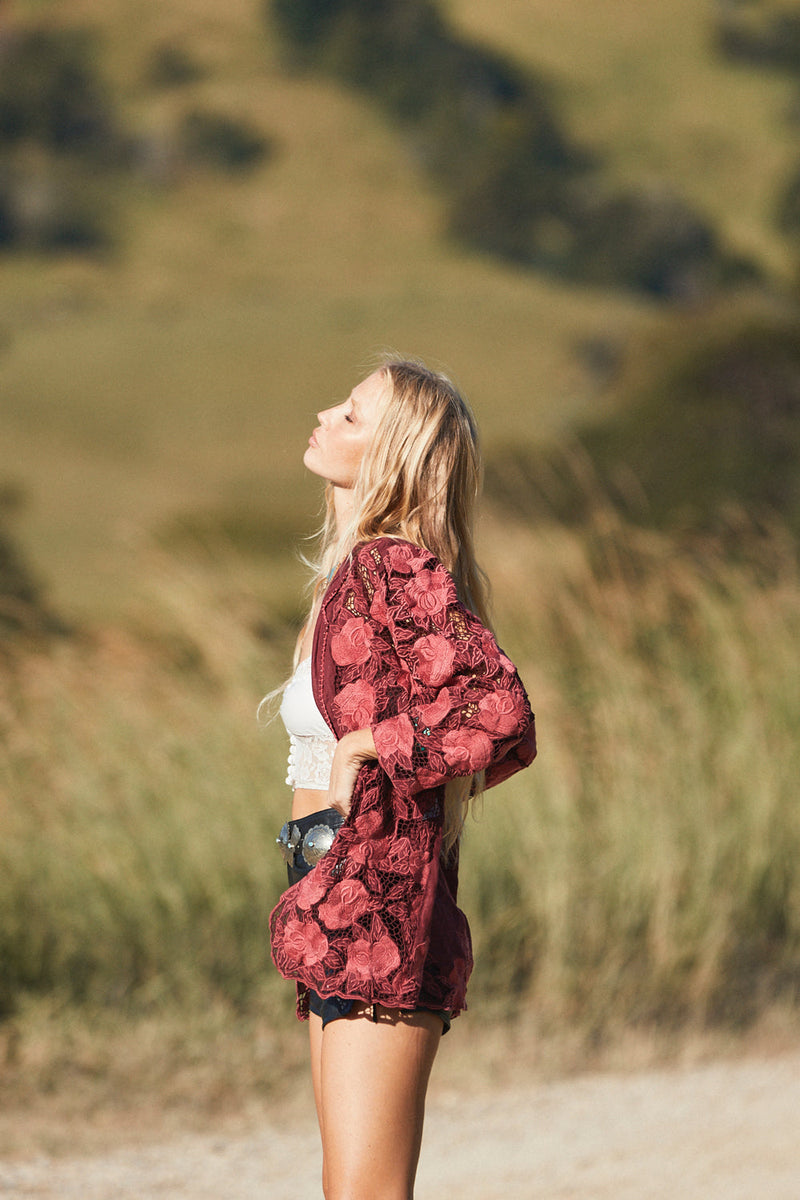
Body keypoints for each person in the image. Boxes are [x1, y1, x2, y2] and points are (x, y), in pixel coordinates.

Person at [269, 356, 536, 1200]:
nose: (325, 414)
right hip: (331, 898)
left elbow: (500, 713)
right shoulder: (351, 575)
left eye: (352, 415)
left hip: (377, 908)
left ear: (392, 457)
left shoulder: (394, 566)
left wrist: (371, 750)